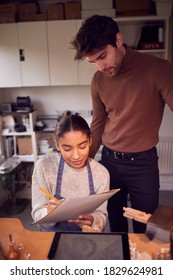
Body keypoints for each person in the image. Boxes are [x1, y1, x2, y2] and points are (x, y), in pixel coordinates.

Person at [71, 15, 173, 233]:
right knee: (114, 222)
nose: (100, 67)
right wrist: (84, 164)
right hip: (109, 162)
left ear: (118, 40)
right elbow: (98, 123)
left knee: (145, 227)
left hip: (143, 164)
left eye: (102, 56)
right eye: (93, 62)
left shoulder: (159, 69)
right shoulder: (98, 80)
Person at [31, 114, 110, 232]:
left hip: (87, 240)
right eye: (67, 149)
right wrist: (48, 213)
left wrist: (93, 220)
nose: (76, 156)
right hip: (52, 239)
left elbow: (101, 216)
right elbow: (38, 218)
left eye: (82, 147)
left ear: (90, 141)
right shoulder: (44, 167)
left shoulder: (101, 173)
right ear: (57, 145)